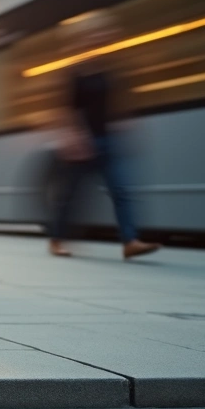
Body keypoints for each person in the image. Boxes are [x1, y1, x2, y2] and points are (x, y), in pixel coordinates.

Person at [48, 13, 160, 260]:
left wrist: (124, 122)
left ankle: (130, 241)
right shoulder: (75, 73)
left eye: (103, 33)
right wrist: (73, 137)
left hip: (107, 140)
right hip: (83, 142)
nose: (101, 38)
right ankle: (56, 239)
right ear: (84, 39)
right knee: (71, 195)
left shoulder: (110, 70)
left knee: (121, 190)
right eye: (95, 34)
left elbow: (117, 103)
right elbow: (66, 109)